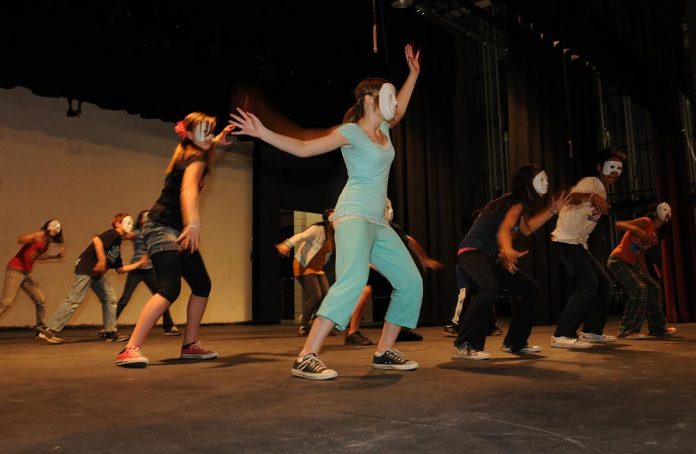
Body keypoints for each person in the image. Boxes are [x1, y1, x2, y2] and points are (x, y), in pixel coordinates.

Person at [230, 43, 422, 380]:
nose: (393, 103)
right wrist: (262, 133)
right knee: (352, 279)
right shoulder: (351, 132)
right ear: (368, 100)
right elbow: (304, 147)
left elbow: (400, 109)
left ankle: (384, 351)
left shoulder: (385, 131)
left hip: (378, 220)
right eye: (386, 96)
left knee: (410, 280)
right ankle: (306, 355)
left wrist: (413, 74)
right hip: (353, 215)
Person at [116, 112, 234, 367]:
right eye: (204, 131)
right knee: (170, 288)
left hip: (174, 229)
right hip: (162, 228)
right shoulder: (196, 158)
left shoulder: (192, 149)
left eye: (211, 131)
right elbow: (188, 190)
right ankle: (129, 349)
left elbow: (204, 141)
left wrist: (218, 139)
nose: (209, 136)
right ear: (190, 134)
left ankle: (190, 345)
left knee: (202, 285)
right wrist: (193, 223)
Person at [452, 165, 569, 360]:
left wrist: (552, 210)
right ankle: (466, 344)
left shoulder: (517, 204)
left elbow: (527, 228)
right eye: (541, 180)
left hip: (489, 256)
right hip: (472, 252)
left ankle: (515, 342)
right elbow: (504, 229)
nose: (546, 184)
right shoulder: (516, 202)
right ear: (528, 183)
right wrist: (507, 250)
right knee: (488, 287)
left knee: (531, 289)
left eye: (547, 180)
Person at [550, 149, 625, 348]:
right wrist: (591, 196)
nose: (615, 172)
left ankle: (591, 330)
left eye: (619, 169)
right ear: (600, 168)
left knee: (605, 284)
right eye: (611, 167)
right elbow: (572, 196)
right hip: (565, 241)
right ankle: (562, 334)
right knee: (588, 283)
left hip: (578, 244)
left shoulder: (602, 189)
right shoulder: (591, 183)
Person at [345, 197, 443, 346]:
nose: (389, 211)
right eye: (386, 208)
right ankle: (352, 332)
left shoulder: (391, 227)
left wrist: (424, 259)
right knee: (365, 292)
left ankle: (398, 329)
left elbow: (409, 240)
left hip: (386, 268)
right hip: (368, 265)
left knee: (399, 293)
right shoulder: (369, 225)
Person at [40, 214, 143, 343]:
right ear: (117, 223)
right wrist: (100, 260)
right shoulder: (113, 234)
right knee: (74, 299)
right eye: (126, 222)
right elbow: (96, 240)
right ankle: (50, 330)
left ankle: (110, 332)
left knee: (110, 299)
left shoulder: (116, 245)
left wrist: (139, 264)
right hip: (87, 268)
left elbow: (120, 270)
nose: (130, 225)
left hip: (95, 274)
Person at [607, 202, 677, 339]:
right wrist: (638, 230)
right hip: (618, 260)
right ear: (656, 212)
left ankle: (658, 328)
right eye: (664, 209)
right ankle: (627, 330)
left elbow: (641, 255)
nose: (667, 212)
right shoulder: (645, 222)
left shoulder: (655, 236)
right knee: (639, 289)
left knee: (654, 287)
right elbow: (619, 224)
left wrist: (646, 275)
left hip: (632, 264)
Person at [115, 210, 180, 336]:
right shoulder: (137, 233)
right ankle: (109, 327)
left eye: (148, 217)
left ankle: (169, 326)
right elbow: (125, 235)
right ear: (140, 220)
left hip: (150, 270)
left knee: (162, 297)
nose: (146, 220)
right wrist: (121, 228)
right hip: (136, 270)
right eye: (144, 218)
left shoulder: (154, 233)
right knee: (125, 298)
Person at [1, 220, 65, 341]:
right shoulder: (39, 235)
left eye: (57, 228)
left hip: (27, 273)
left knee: (40, 299)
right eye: (53, 226)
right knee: (6, 303)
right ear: (47, 227)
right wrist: (32, 236)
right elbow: (21, 239)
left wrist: (55, 256)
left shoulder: (46, 242)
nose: (55, 229)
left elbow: (38, 256)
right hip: (15, 270)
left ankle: (40, 330)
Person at [276, 209, 335, 336]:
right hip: (304, 265)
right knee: (316, 296)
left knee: (328, 296)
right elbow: (301, 236)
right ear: (331, 220)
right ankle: (303, 327)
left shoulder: (333, 233)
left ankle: (318, 325)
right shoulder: (318, 229)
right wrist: (287, 244)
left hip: (317, 268)